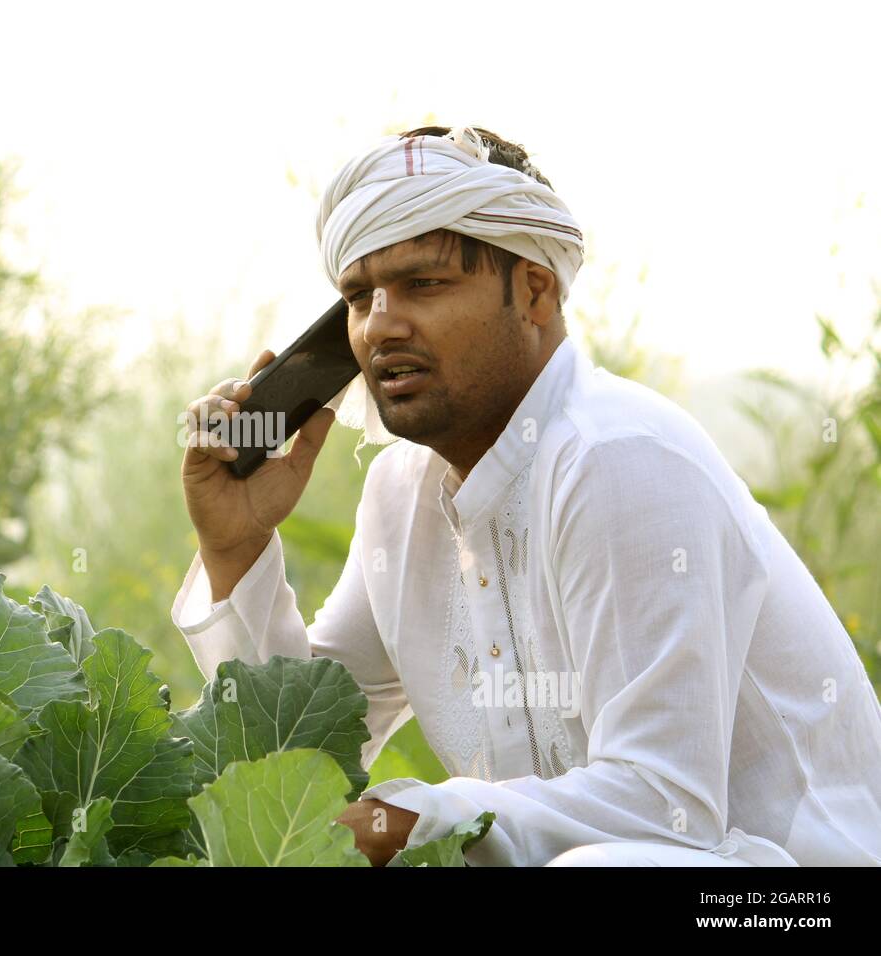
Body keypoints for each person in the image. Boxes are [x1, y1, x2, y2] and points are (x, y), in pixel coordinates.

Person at [172, 125, 881, 867]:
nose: (379, 323)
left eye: (424, 284)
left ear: (535, 291)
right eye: (358, 297)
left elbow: (664, 808)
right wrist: (235, 544)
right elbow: (298, 752)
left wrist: (413, 820)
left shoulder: (617, 459)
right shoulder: (399, 497)